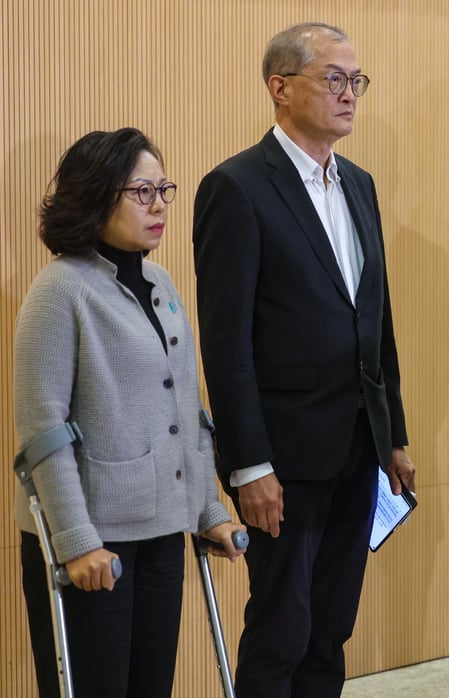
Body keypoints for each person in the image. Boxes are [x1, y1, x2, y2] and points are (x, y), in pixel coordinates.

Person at [192, 22, 415, 697]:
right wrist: (248, 463)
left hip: (356, 445)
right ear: (279, 87)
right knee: (282, 626)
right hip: (282, 457)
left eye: (357, 81)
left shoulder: (359, 184)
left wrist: (393, 434)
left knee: (330, 627)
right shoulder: (237, 187)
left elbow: (375, 324)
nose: (351, 94)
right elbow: (226, 342)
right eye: (334, 78)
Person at [13, 127, 246, 698]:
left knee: (151, 687)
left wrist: (209, 507)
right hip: (95, 543)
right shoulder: (61, 289)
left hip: (164, 526)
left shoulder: (160, 283)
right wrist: (75, 541)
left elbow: (186, 410)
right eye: (141, 192)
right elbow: (43, 432)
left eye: (163, 189)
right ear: (96, 196)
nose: (160, 204)